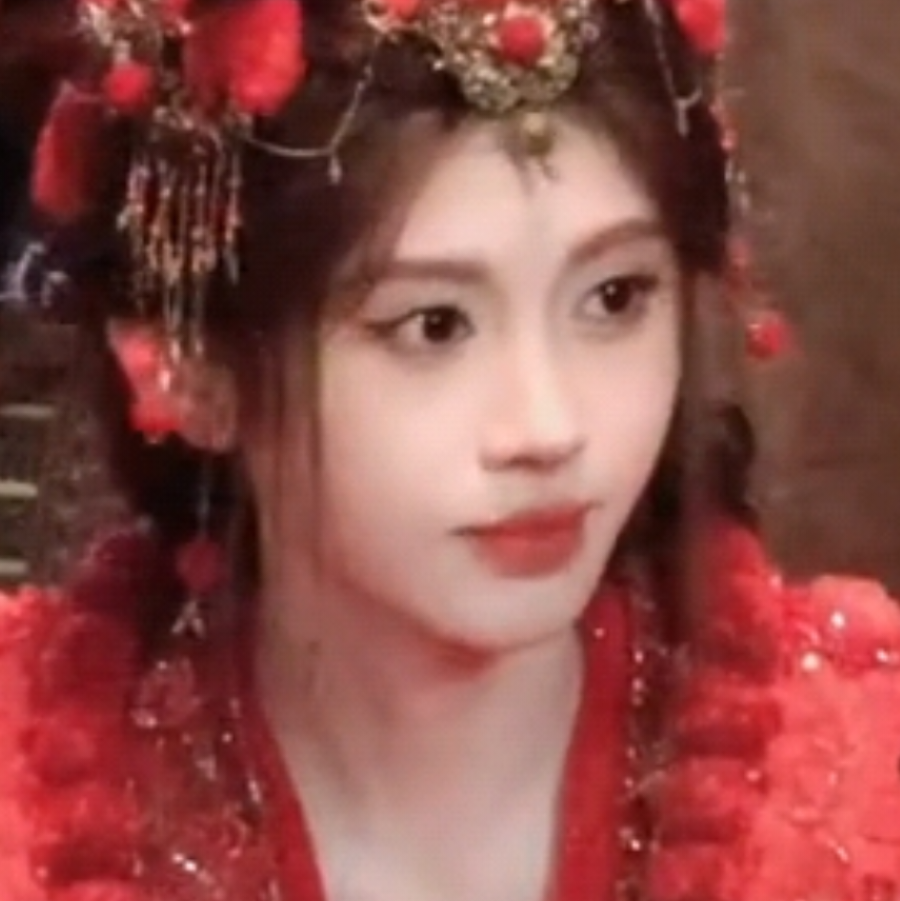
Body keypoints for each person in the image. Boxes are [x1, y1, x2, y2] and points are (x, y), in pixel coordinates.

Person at [0, 0, 899, 900]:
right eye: (434, 325)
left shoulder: (863, 773)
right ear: (189, 367)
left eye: (616, 298)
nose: (550, 427)